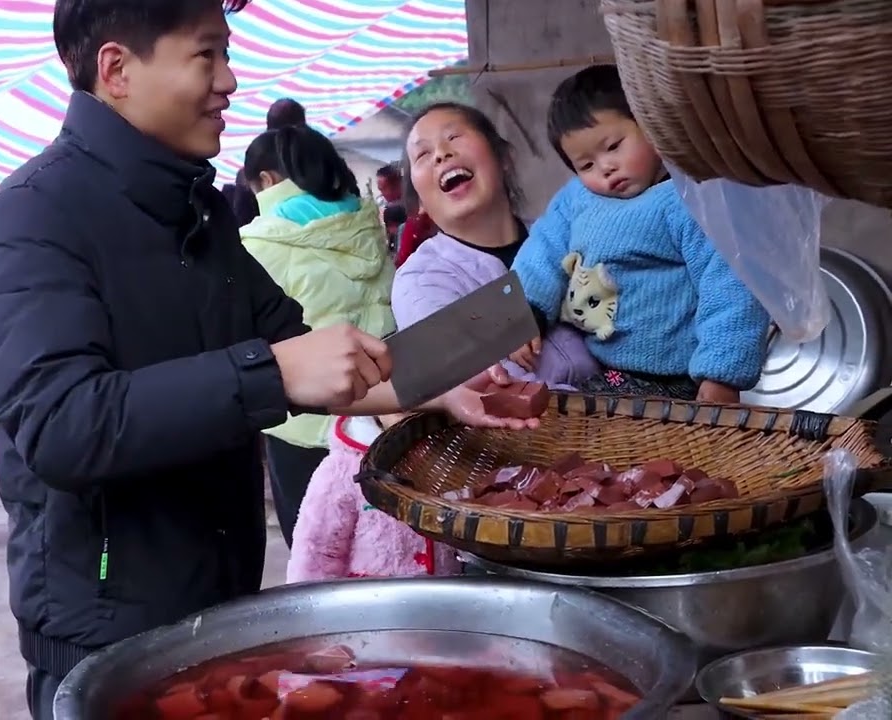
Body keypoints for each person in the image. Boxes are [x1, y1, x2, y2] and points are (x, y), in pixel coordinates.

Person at [0, 2, 535, 717]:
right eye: (206, 55)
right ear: (117, 69)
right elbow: (61, 425)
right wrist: (272, 373)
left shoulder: (197, 212)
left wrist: (436, 387)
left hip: (225, 608)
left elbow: (317, 357)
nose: (230, 80)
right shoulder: (33, 216)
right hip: (107, 638)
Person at [508, 65, 770, 401]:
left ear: (653, 126)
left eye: (614, 146)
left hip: (681, 380)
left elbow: (730, 284)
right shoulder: (575, 199)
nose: (605, 167)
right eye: (586, 165)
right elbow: (541, 253)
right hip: (605, 372)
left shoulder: (690, 197)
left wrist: (722, 374)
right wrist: (525, 313)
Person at [238, 124, 396, 547]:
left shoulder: (257, 242)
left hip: (304, 421)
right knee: (377, 542)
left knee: (316, 549)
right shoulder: (367, 224)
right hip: (380, 407)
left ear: (267, 182)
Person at [395, 102, 598, 386]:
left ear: (504, 157)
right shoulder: (421, 282)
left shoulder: (562, 237)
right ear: (418, 204)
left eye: (454, 137)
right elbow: (489, 392)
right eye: (423, 154)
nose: (441, 154)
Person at [285, 411, 460, 582]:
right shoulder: (342, 469)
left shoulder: (454, 462)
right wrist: (314, 607)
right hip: (367, 603)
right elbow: (315, 551)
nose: (409, 403)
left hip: (441, 600)